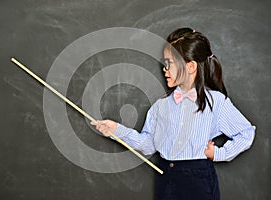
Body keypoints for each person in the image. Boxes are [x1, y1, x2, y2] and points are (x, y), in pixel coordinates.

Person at [91, 27, 255, 200]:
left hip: (198, 181)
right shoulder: (160, 106)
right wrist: (116, 130)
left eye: (169, 63)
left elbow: (246, 132)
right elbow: (148, 145)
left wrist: (220, 153)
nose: (164, 69)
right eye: (164, 63)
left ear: (190, 66)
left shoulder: (216, 102)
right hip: (166, 177)